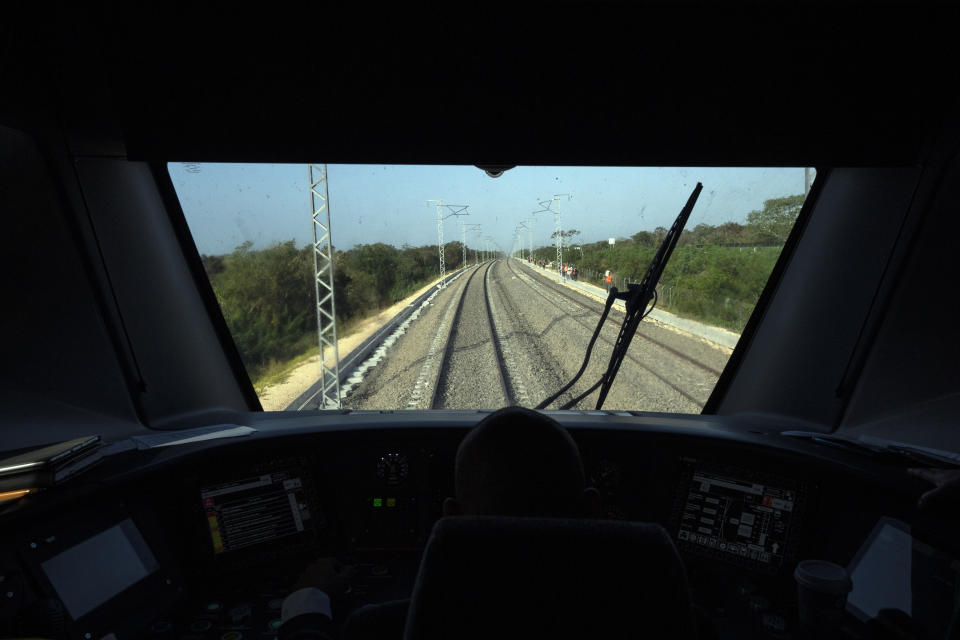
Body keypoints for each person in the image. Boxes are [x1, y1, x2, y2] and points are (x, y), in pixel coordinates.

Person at [279, 407, 601, 639]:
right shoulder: (641, 607)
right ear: (590, 509)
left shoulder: (383, 626)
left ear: (452, 517)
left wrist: (307, 600)